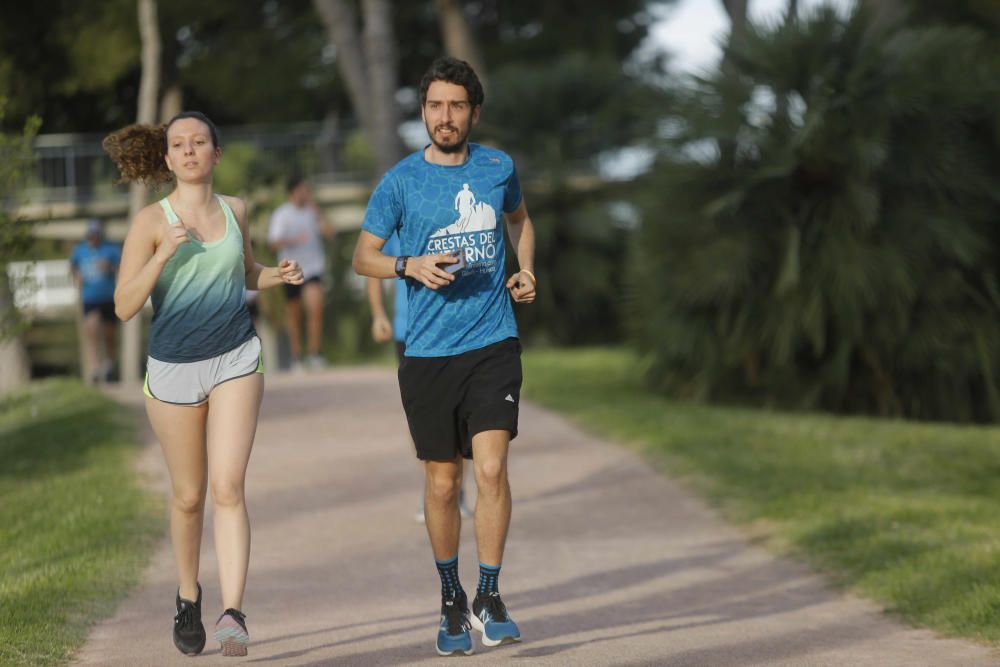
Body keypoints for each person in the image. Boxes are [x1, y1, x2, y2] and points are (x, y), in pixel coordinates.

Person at [353, 56, 537, 656]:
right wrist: (409, 265)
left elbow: (520, 221)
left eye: (456, 106)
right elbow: (364, 257)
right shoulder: (401, 181)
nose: (445, 116)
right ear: (424, 112)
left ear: (473, 112)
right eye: (434, 105)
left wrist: (526, 268)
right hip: (428, 353)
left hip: (493, 341)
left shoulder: (497, 166)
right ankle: (451, 599)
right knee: (441, 482)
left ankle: (489, 592)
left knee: (489, 469)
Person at [103, 111, 304, 658]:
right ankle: (188, 594)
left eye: (200, 142)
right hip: (172, 369)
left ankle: (233, 613)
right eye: (178, 145)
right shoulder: (150, 222)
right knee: (189, 497)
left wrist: (277, 275)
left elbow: (244, 274)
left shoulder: (236, 210)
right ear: (166, 160)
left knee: (227, 488)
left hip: (235, 357)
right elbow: (123, 306)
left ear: (216, 154)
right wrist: (163, 253)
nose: (189, 151)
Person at [366, 236, 474, 524]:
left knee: (460, 412)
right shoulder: (394, 215)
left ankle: (456, 490)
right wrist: (378, 314)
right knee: (423, 415)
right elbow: (370, 262)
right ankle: (435, 487)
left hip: (453, 328)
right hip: (409, 331)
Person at [267, 176, 336, 373]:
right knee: (295, 315)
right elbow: (274, 243)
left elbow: (330, 233)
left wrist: (319, 216)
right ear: (293, 191)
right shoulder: (282, 214)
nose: (306, 193)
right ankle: (297, 356)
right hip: (291, 269)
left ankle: (315, 354)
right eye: (303, 189)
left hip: (313, 269)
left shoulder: (312, 212)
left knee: (315, 309)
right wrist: (296, 240)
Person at [69, 218, 121, 383]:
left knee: (109, 335)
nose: (92, 239)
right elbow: (72, 267)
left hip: (108, 297)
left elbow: (123, 268)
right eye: (90, 236)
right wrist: (77, 277)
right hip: (89, 297)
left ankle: (110, 366)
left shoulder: (111, 249)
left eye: (95, 235)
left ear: (100, 235)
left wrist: (110, 267)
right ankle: (95, 368)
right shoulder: (79, 250)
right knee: (92, 331)